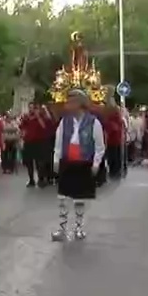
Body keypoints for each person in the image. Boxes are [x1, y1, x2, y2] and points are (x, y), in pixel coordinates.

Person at [51, 89, 106, 241]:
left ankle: (78, 228)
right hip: (67, 162)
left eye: (71, 101)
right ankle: (62, 229)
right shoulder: (65, 122)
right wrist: (56, 159)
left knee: (79, 198)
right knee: (62, 197)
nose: (68, 104)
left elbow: (99, 146)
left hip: (83, 163)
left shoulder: (93, 122)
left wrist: (96, 164)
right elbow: (59, 142)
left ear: (80, 103)